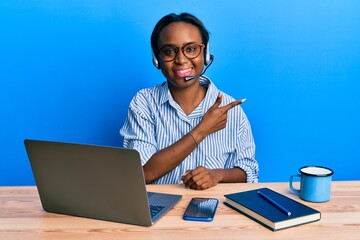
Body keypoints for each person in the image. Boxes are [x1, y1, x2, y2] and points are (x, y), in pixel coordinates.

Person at [120, 13, 258, 190]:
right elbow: (143, 173)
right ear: (157, 59)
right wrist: (202, 129)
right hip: (156, 210)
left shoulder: (230, 107)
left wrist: (218, 174)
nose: (181, 60)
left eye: (191, 49)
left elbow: (249, 172)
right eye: (169, 51)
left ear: (205, 53)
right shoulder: (143, 103)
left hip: (216, 211)